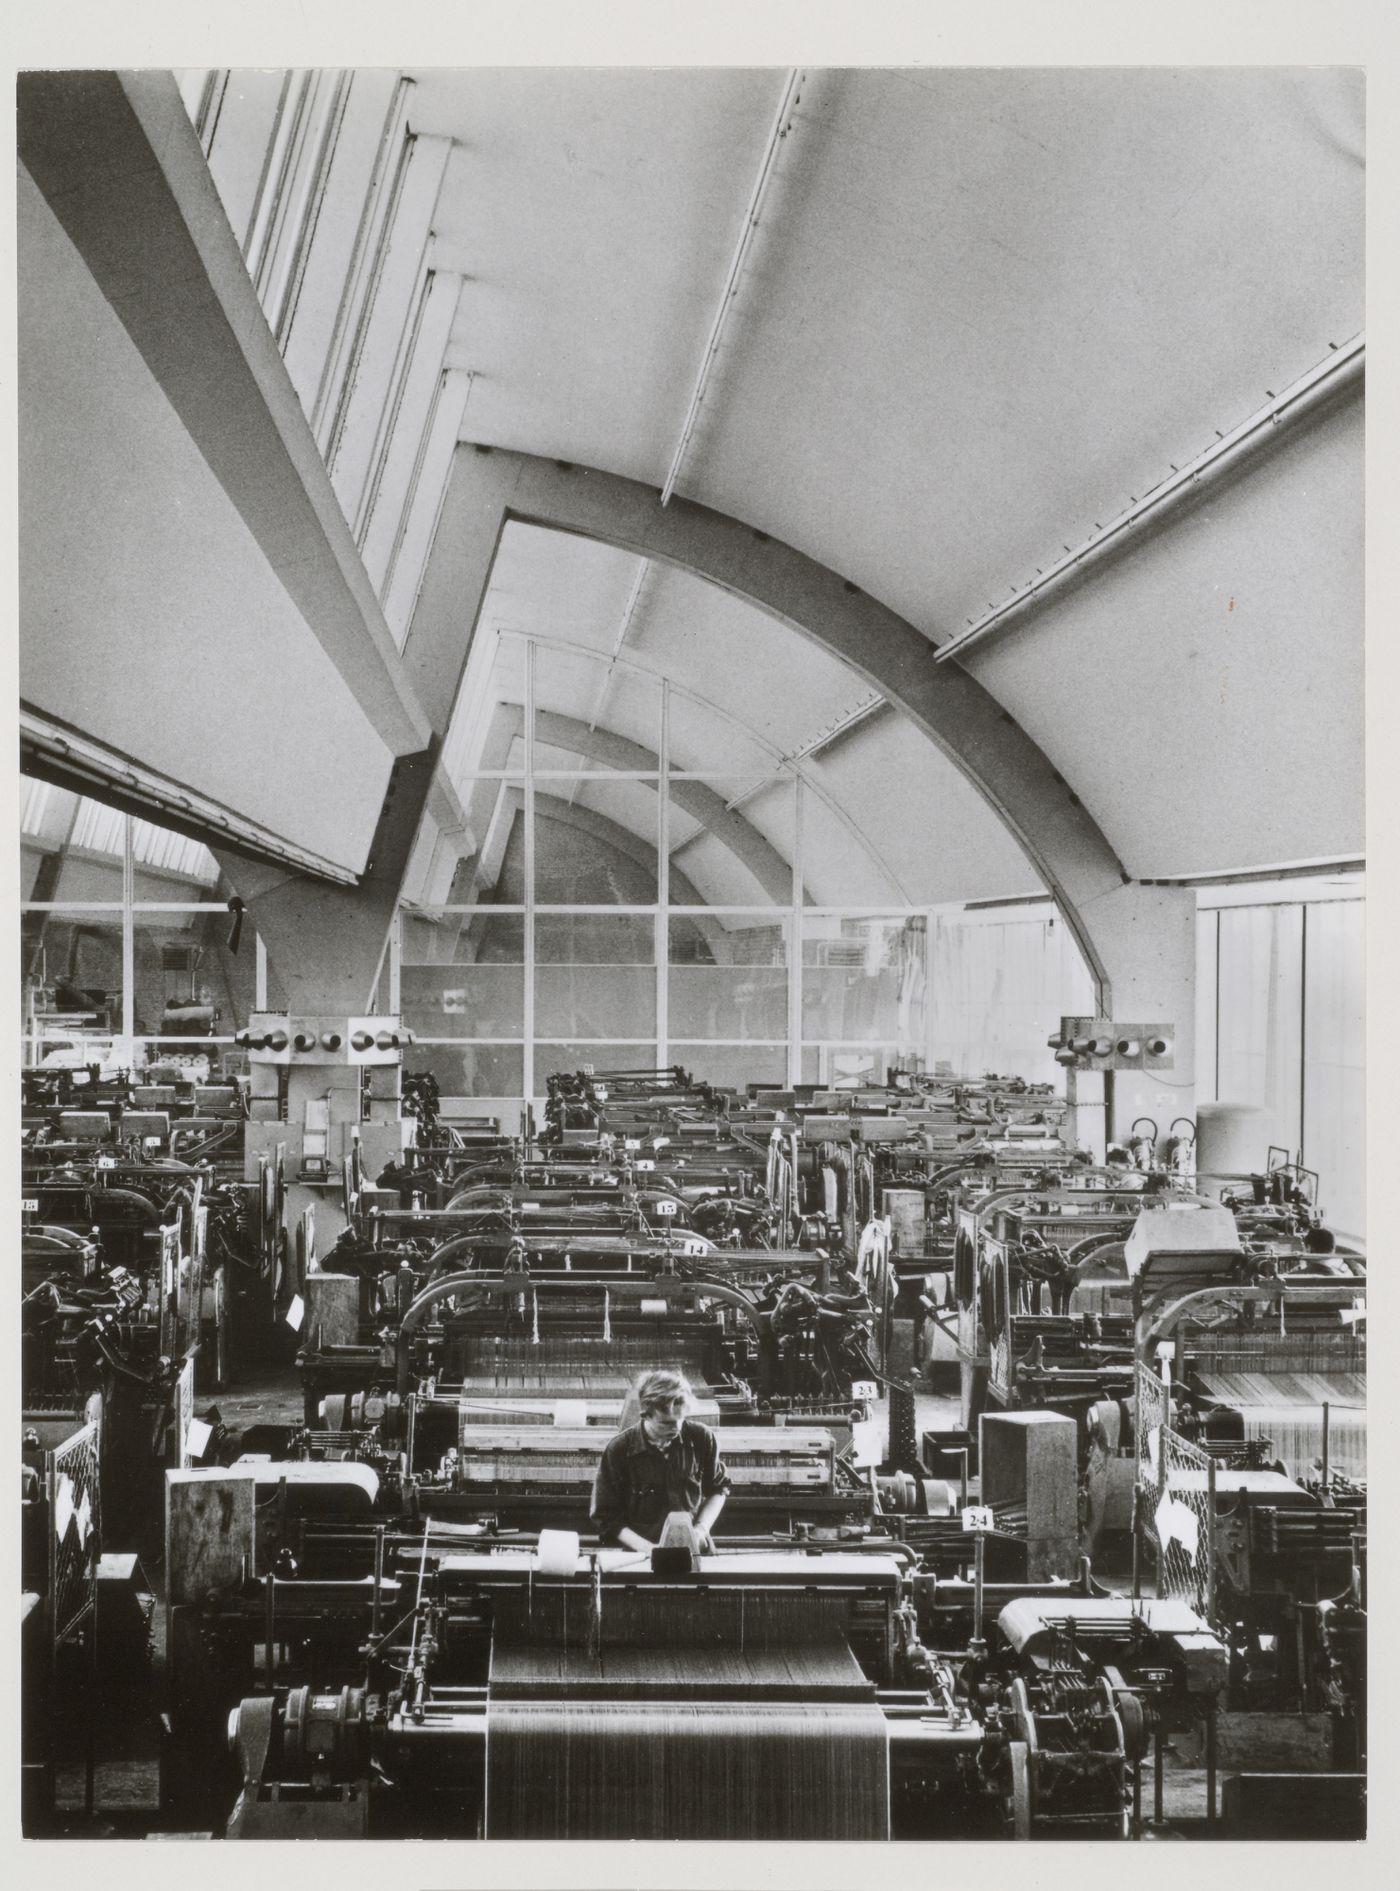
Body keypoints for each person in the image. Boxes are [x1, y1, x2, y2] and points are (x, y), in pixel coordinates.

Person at [590, 1368, 729, 1553]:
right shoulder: (619, 1450)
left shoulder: (701, 1438)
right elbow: (605, 1516)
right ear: (645, 1415)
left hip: (694, 1550)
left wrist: (700, 1530)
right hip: (639, 1556)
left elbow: (719, 1489)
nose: (676, 1428)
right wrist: (649, 1550)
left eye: (680, 1419)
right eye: (666, 1423)